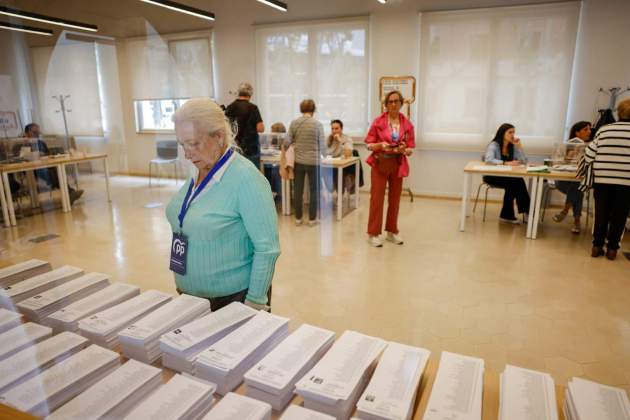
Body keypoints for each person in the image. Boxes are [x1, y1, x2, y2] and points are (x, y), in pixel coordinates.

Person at [165, 98, 279, 311]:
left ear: (218, 136)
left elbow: (267, 249)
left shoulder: (247, 179)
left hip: (230, 300)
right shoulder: (197, 168)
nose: (187, 153)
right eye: (182, 144)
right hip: (189, 296)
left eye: (194, 143)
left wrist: (254, 304)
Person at [365, 90, 415, 247]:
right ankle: (373, 233)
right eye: (390, 101)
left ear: (401, 103)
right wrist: (379, 145)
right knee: (376, 199)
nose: (393, 104)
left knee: (395, 200)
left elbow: (410, 148)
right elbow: (368, 145)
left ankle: (392, 232)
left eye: (396, 101)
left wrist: (406, 150)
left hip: (397, 164)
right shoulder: (378, 122)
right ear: (386, 105)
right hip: (380, 163)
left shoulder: (407, 124)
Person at [582, 98, 630, 260]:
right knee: (619, 216)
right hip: (626, 182)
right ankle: (612, 249)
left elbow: (589, 154)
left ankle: (596, 246)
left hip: (603, 180)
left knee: (601, 213)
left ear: (618, 112)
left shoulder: (605, 130)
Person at [285, 99, 326, 226]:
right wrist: (325, 155)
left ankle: (298, 218)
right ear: (314, 110)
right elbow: (323, 146)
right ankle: (312, 219)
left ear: (301, 109)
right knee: (314, 190)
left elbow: (286, 142)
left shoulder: (294, 123)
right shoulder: (318, 124)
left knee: (298, 190)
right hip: (314, 162)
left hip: (299, 162)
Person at [22, 123, 84, 204]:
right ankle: (69, 193)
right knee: (50, 172)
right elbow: (21, 158)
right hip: (31, 169)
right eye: (34, 132)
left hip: (45, 165)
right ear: (27, 133)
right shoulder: (21, 144)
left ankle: (69, 194)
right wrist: (33, 155)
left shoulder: (41, 143)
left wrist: (46, 155)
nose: (37, 135)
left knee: (57, 169)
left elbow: (48, 155)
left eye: (38, 132)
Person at [483, 123, 530, 224]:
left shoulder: (512, 146)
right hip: (492, 176)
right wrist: (505, 163)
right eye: (510, 132)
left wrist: (519, 147)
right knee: (517, 181)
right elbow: (488, 159)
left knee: (514, 183)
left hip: (507, 177)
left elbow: (524, 161)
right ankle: (527, 212)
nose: (512, 135)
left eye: (513, 132)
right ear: (502, 133)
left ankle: (508, 215)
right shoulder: (494, 145)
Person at [552, 121, 592, 233]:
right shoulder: (565, 145)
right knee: (579, 188)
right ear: (577, 132)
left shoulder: (591, 147)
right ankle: (576, 220)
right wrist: (567, 157)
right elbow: (556, 163)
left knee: (578, 184)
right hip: (562, 181)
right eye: (585, 129)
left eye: (590, 129)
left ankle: (566, 211)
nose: (589, 131)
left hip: (578, 181)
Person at [225, 82, 264, 168]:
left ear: (238, 93)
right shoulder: (253, 108)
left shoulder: (230, 107)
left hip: (235, 148)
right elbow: (260, 128)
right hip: (251, 149)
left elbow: (225, 128)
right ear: (250, 94)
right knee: (253, 175)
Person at [324, 119, 354, 193]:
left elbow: (349, 153)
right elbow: (324, 152)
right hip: (329, 164)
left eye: (336, 128)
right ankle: (326, 193)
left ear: (341, 129)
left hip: (343, 166)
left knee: (338, 172)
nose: (334, 131)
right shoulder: (328, 138)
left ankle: (340, 195)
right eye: (332, 129)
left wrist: (340, 140)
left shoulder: (346, 138)